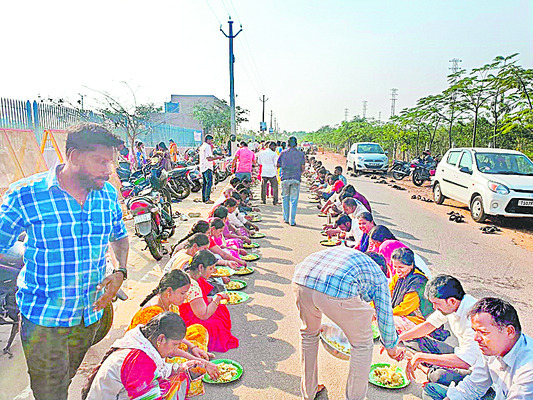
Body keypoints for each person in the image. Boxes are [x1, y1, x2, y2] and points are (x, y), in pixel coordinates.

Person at [0, 123, 129, 400]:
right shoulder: (26, 194)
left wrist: (120, 271)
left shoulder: (106, 194)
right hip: (46, 321)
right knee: (50, 392)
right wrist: (23, 255)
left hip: (90, 317)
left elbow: (120, 236)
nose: (109, 170)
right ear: (72, 156)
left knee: (66, 376)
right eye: (101, 161)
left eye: (112, 162)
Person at [293, 247, 404, 400]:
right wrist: (391, 348)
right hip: (333, 289)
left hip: (301, 280)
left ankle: (308, 392)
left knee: (309, 335)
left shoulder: (350, 257)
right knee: (363, 345)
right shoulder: (378, 275)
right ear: (382, 268)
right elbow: (384, 315)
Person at [128, 270, 219, 397]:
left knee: (199, 330)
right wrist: (199, 361)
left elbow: (175, 335)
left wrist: (192, 347)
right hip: (150, 358)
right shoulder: (153, 313)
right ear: (169, 291)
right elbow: (169, 350)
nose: (186, 297)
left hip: (167, 346)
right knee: (191, 371)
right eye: (183, 293)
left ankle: (199, 359)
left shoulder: (170, 303)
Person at [84, 312, 213, 400]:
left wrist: (178, 368)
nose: (176, 349)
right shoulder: (139, 362)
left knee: (179, 377)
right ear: (161, 339)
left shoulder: (142, 342)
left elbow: (157, 370)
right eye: (175, 344)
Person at [398, 275, 481, 398]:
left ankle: (429, 369)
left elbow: (465, 361)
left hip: (474, 367)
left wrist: (422, 357)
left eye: (436, 303)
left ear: (452, 301)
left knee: (438, 376)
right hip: (461, 353)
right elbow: (428, 325)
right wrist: (398, 339)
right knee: (412, 340)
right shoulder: (453, 305)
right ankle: (431, 366)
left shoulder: (473, 318)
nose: (434, 308)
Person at [436, 298, 533, 400]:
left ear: (509, 331)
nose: (476, 338)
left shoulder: (528, 369)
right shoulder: (491, 348)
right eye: (475, 331)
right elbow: (473, 386)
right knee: (432, 391)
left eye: (484, 332)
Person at [180, 250, 239, 352]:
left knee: (221, 309)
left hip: (191, 310)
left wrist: (211, 300)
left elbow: (194, 300)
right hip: (187, 319)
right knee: (217, 324)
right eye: (211, 268)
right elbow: (204, 315)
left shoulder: (189, 274)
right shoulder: (193, 284)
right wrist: (217, 299)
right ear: (201, 267)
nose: (213, 271)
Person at [387, 247, 433, 333]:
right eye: (395, 267)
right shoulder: (399, 276)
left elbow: (406, 308)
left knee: (387, 321)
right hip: (405, 314)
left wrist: (383, 313)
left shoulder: (418, 283)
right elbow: (387, 293)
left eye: (401, 267)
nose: (397, 270)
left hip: (421, 321)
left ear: (411, 265)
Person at [277, 136, 306, 226]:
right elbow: (303, 168)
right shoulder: (301, 154)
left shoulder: (283, 153)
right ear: (296, 144)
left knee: (285, 198)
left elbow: (277, 165)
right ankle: (292, 220)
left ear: (288, 143)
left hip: (285, 178)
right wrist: (299, 173)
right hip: (296, 178)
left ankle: (285, 218)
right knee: (294, 200)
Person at [199, 135, 223, 204]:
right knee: (209, 183)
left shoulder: (202, 146)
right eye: (211, 140)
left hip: (203, 167)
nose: (212, 142)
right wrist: (218, 157)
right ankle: (207, 199)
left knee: (204, 184)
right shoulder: (207, 147)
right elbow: (209, 158)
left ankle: (204, 198)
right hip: (207, 167)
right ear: (208, 140)